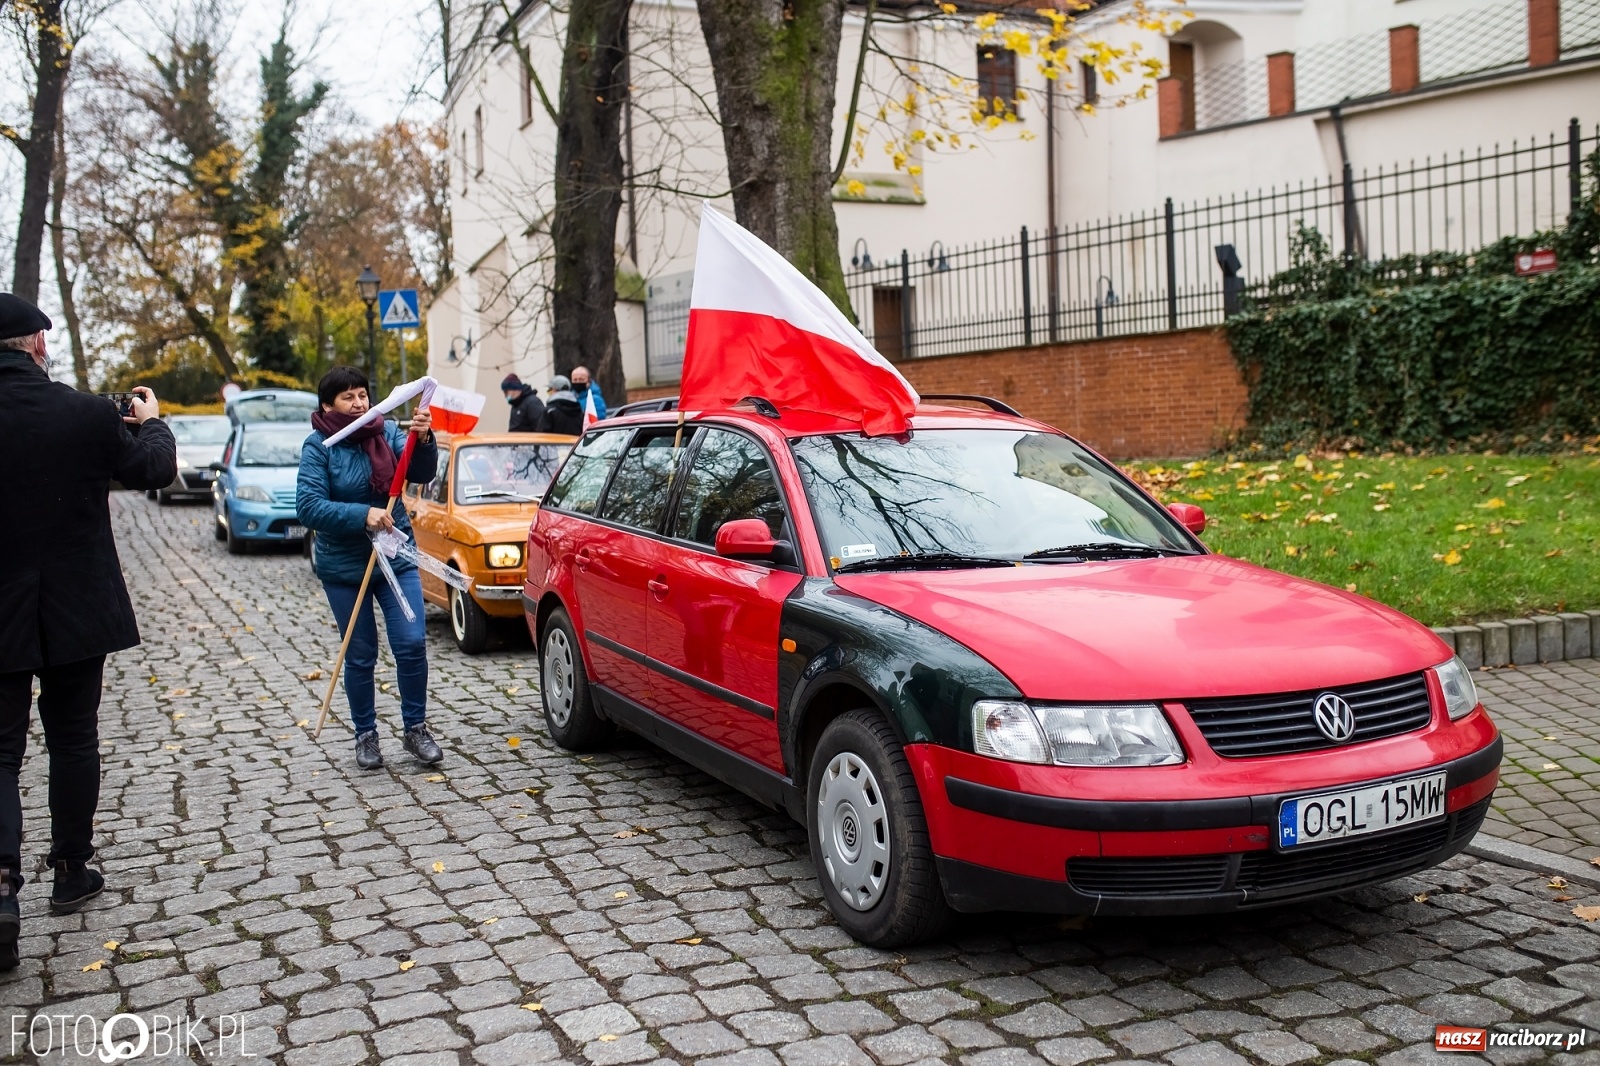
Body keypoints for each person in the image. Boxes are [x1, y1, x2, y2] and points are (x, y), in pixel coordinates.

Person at [0, 293, 176, 970]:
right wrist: (153, 422)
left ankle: (2, 887)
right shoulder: (80, 411)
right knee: (73, 737)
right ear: (39, 344)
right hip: (76, 605)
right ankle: (72, 868)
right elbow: (153, 468)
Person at [297, 366, 444, 771]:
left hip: (396, 556)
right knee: (360, 654)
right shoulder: (319, 447)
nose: (359, 403)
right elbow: (308, 507)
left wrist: (424, 438)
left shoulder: (388, 432)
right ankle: (366, 735)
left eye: (362, 394)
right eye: (348, 397)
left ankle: (416, 728)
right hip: (345, 567)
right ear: (328, 404)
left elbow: (421, 472)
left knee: (412, 643)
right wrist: (364, 514)